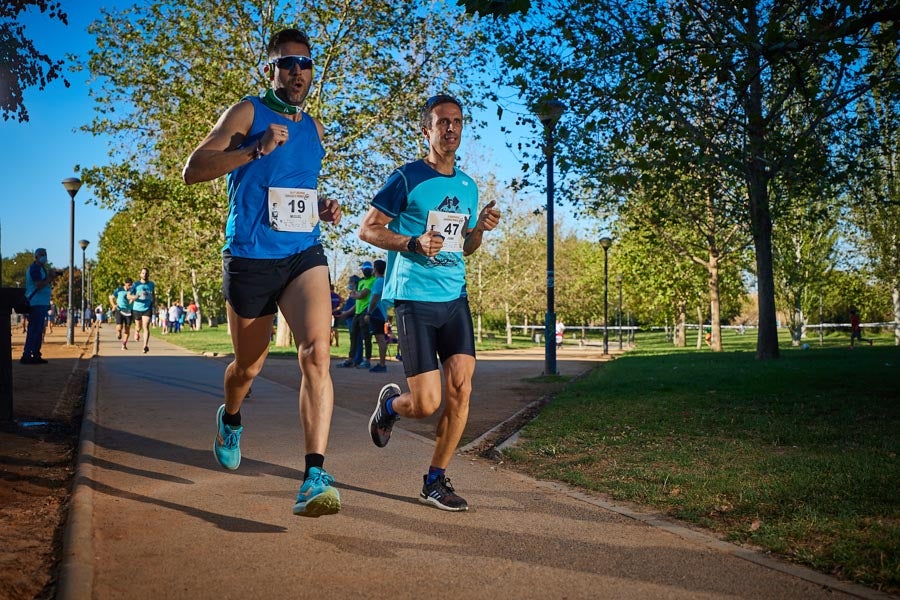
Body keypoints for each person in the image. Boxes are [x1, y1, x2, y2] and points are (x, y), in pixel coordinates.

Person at [182, 27, 343, 517]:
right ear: (270, 69)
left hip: (302, 253)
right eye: (287, 62)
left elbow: (294, 193)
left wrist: (323, 206)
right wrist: (254, 149)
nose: (297, 71)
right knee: (247, 368)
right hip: (251, 257)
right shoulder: (248, 111)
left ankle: (314, 475)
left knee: (316, 352)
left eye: (305, 63)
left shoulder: (314, 128)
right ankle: (230, 417)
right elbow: (194, 168)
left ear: (312, 72)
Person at [358, 93, 501, 511]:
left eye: (457, 121)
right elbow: (368, 230)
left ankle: (435, 480)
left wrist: (482, 230)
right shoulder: (405, 178)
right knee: (426, 403)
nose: (451, 128)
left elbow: (465, 247)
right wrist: (412, 243)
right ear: (426, 130)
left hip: (454, 297)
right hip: (414, 299)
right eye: (442, 122)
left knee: (461, 389)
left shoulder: (468, 186)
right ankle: (390, 405)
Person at [20, 248, 57, 364]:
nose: (44, 257)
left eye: (45, 254)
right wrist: (50, 278)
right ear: (36, 256)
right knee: (34, 330)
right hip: (36, 303)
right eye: (42, 255)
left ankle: (35, 354)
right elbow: (39, 285)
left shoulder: (41, 268)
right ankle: (27, 355)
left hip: (41, 303)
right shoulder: (35, 269)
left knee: (38, 330)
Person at [349, 261, 375, 369]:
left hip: (365, 311)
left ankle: (367, 360)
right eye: (364, 270)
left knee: (366, 337)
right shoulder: (361, 281)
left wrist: (355, 294)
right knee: (353, 336)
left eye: (368, 269)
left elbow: (361, 295)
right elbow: (354, 293)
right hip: (358, 312)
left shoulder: (372, 280)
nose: (366, 271)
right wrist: (355, 292)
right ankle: (351, 359)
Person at [366, 259, 388, 372]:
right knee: (380, 339)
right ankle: (382, 363)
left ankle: (382, 364)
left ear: (375, 269)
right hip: (380, 312)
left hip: (377, 313)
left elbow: (375, 298)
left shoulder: (379, 281)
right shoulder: (382, 281)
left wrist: (369, 312)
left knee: (380, 339)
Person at [128, 267, 155, 354]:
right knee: (138, 327)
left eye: (146, 273)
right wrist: (135, 297)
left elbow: (153, 295)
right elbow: (128, 295)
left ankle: (145, 346)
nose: (145, 275)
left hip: (147, 307)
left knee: (146, 326)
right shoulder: (136, 284)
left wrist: (154, 304)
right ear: (140, 274)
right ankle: (136, 331)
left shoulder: (151, 284)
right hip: (137, 308)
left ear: (148, 274)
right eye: (143, 273)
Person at [335, 276, 359, 366]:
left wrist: (346, 313)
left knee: (356, 339)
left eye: (350, 282)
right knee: (353, 338)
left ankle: (355, 359)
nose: (349, 284)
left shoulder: (357, 293)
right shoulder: (352, 293)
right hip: (349, 318)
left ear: (354, 283)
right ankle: (353, 358)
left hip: (352, 317)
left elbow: (356, 305)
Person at [109, 277, 135, 350]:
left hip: (129, 311)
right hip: (119, 310)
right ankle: (119, 332)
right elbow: (111, 297)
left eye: (130, 285)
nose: (129, 287)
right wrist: (113, 305)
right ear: (125, 283)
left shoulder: (132, 290)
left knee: (127, 329)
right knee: (119, 327)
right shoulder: (119, 289)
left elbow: (132, 299)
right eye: (128, 285)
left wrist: (131, 301)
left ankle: (124, 344)